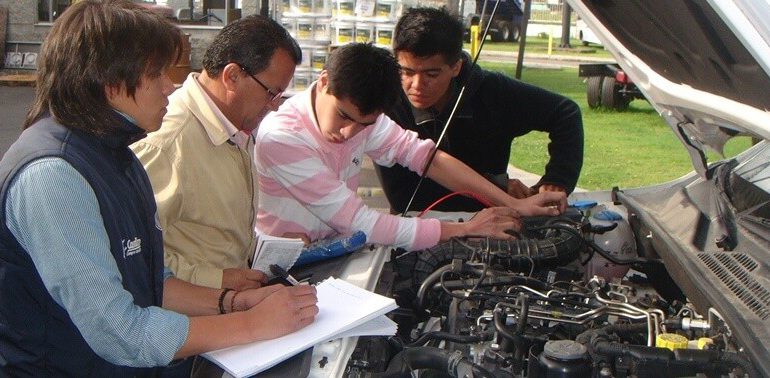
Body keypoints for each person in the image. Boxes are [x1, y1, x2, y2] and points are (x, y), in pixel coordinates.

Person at [0, 1, 317, 375]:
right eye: (156, 73)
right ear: (110, 81)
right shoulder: (53, 176)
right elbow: (120, 332)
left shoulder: (115, 151)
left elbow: (147, 279)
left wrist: (233, 303)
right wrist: (251, 325)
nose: (171, 86)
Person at [254, 43, 567, 252]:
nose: (350, 133)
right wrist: (463, 229)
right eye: (343, 116)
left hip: (335, 249)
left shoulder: (365, 119)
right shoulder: (283, 137)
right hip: (285, 264)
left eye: (364, 125)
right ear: (324, 82)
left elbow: (429, 158)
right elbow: (362, 223)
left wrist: (513, 205)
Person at [131, 15, 302, 290]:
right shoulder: (167, 143)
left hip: (231, 299)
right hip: (190, 317)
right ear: (232, 76)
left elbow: (214, 230)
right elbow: (131, 255)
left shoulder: (233, 124)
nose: (274, 106)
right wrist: (217, 279)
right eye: (271, 93)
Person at [376, 7, 584, 214]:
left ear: (456, 67)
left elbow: (565, 113)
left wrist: (557, 179)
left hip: (494, 222)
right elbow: (404, 196)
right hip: (416, 224)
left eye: (431, 74)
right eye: (407, 71)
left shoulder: (494, 91)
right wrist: (497, 188)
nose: (417, 85)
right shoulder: (386, 101)